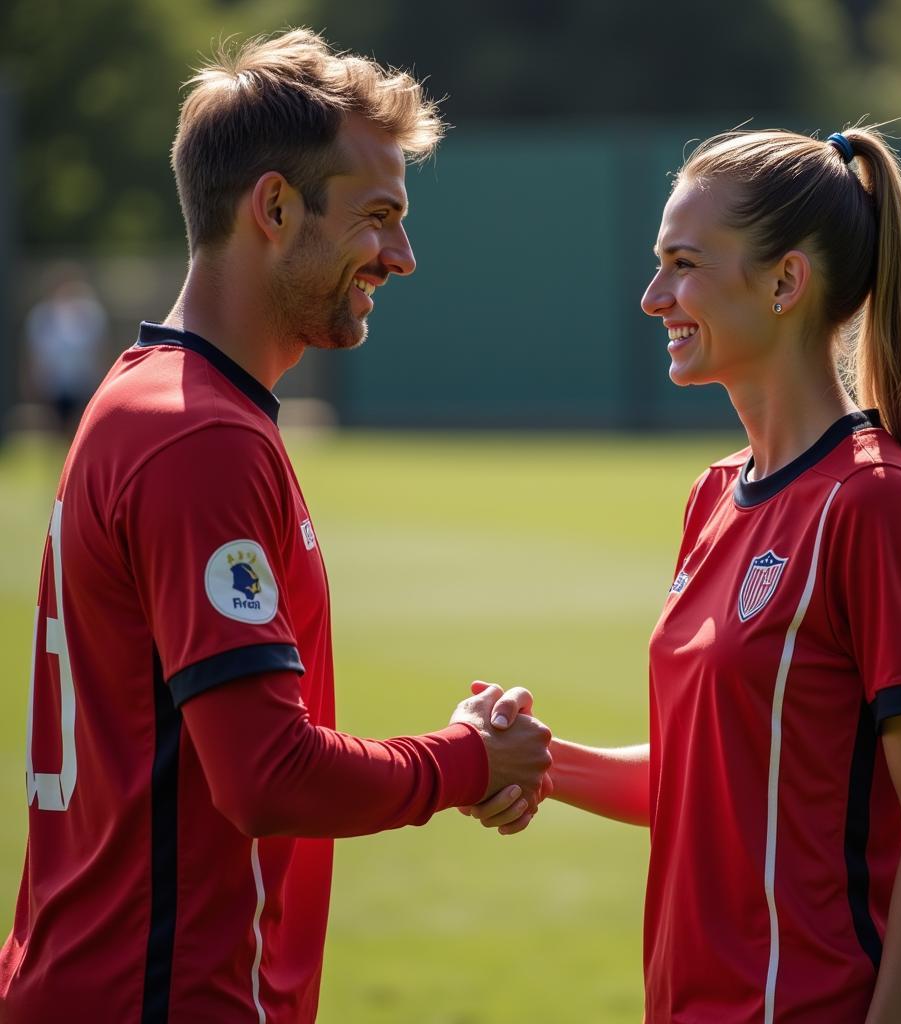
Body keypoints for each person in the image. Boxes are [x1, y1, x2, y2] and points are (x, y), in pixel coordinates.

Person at [0, 29, 551, 1024]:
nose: (403, 256)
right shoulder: (198, 437)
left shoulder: (155, 403)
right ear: (275, 207)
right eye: (378, 217)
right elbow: (266, 775)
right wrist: (468, 761)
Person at [469, 126, 901, 1023]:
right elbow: (705, 779)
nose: (651, 297)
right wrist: (528, 761)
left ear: (786, 282)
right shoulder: (715, 494)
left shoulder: (869, 504)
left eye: (683, 264)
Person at [23, 262, 108, 437]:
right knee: (56, 428)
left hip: (82, 381)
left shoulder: (89, 313)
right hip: (53, 383)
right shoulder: (42, 316)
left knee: (80, 426)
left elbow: (99, 348)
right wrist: (33, 380)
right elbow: (35, 352)